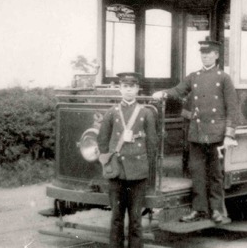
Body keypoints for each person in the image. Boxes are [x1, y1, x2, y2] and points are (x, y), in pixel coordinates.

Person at [152, 39, 238, 224]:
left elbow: (232, 108)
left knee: (215, 174)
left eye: (209, 53)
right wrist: (163, 93)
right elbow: (178, 90)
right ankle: (199, 209)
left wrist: (229, 134)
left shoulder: (224, 78)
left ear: (216, 55)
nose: (205, 56)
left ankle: (217, 211)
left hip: (216, 134)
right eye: (202, 53)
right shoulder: (194, 76)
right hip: (197, 133)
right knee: (197, 173)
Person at [97, 72, 158, 248]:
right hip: (116, 173)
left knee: (136, 219)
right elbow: (102, 140)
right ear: (120, 89)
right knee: (116, 218)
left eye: (132, 87)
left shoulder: (146, 113)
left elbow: (152, 143)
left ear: (138, 89)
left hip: (138, 174)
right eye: (125, 87)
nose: (129, 90)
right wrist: (106, 162)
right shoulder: (112, 112)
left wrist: (147, 167)